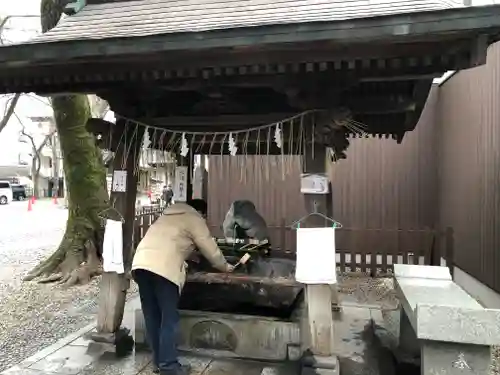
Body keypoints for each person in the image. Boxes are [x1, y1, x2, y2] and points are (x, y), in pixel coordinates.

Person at [132, 199, 234, 375]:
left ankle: (158, 362)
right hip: (163, 270)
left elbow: (168, 242)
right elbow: (210, 248)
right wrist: (226, 267)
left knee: (152, 316)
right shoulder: (194, 218)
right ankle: (169, 366)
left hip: (141, 265)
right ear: (201, 212)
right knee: (168, 319)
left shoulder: (165, 216)